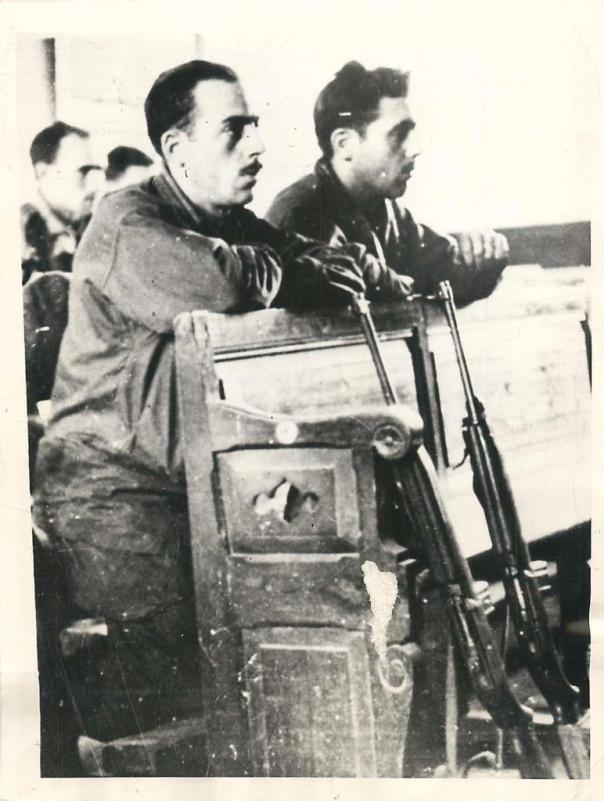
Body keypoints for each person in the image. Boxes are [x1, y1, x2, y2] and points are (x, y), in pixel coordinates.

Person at [32, 59, 411, 746]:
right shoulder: (127, 222)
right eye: (234, 130)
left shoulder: (226, 219)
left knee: (287, 607)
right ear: (177, 149)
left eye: (256, 127)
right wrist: (286, 268)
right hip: (111, 494)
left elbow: (320, 261)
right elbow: (224, 284)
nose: (258, 145)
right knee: (194, 671)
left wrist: (336, 270)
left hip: (190, 484)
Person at [267, 61, 509, 306]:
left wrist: (480, 265)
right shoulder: (299, 215)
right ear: (344, 144)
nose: (416, 149)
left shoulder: (387, 212)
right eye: (398, 134)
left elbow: (440, 271)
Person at [21, 121, 102, 284]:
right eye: (83, 172)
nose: (94, 187)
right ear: (42, 172)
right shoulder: (16, 236)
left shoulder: (89, 228)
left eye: (95, 171)